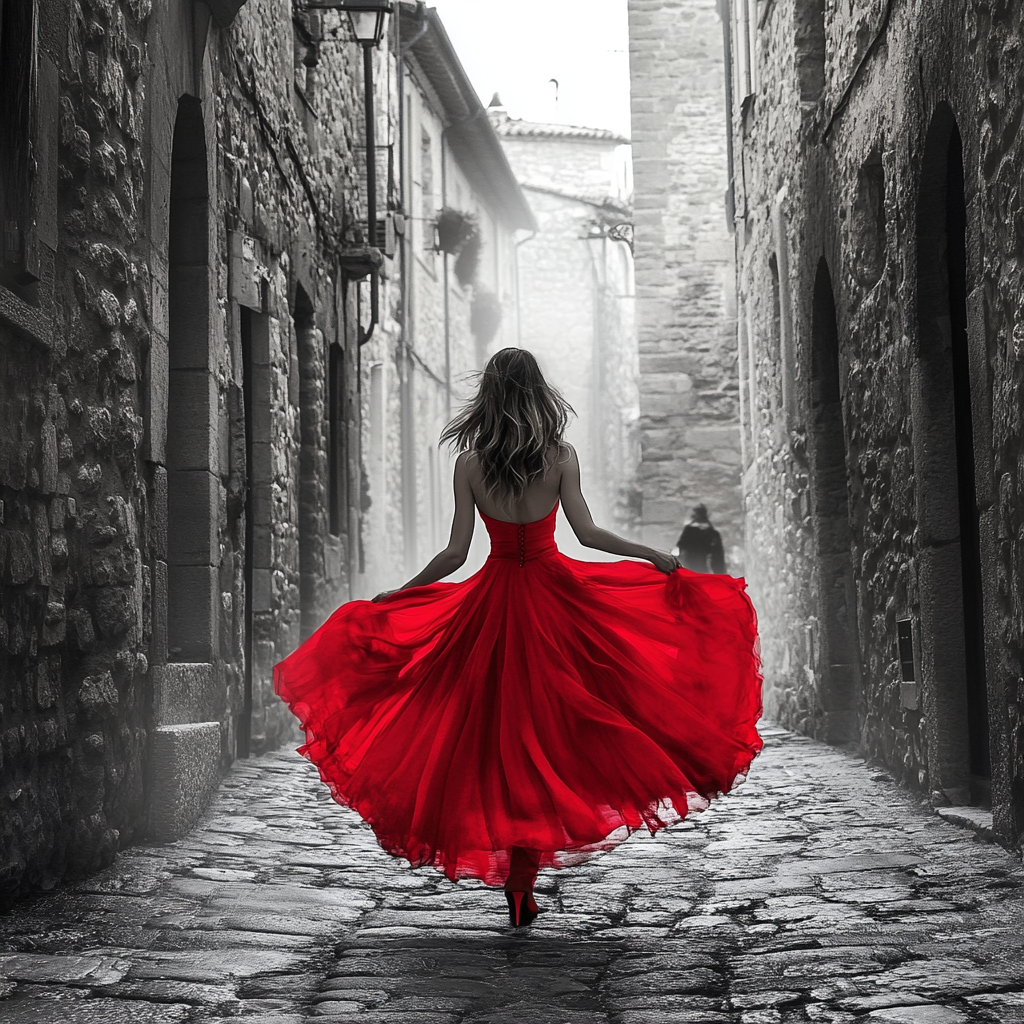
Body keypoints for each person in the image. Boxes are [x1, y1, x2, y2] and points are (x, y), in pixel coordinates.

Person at [274, 348, 762, 928]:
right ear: (537, 393)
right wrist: (649, 554)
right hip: (557, 603)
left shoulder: (471, 464)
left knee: (491, 739)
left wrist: (401, 593)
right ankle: (523, 877)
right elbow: (587, 533)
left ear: (489, 396)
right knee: (560, 732)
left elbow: (456, 553)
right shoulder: (560, 457)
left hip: (494, 604)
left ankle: (516, 877)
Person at [674, 504, 727, 574]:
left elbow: (679, 551)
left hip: (688, 570)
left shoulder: (688, 531)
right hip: (703, 571)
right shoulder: (713, 534)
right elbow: (718, 559)